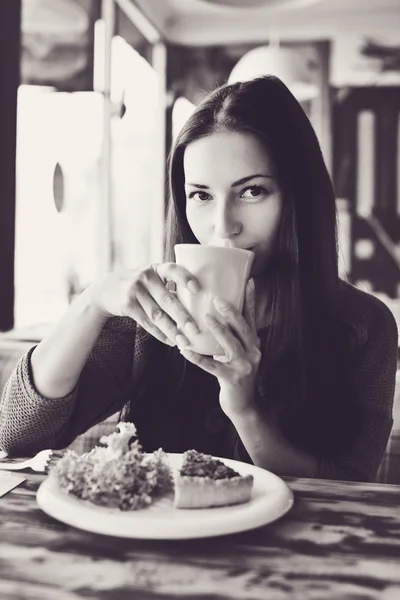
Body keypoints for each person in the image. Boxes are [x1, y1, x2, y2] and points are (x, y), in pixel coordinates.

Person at [0, 75, 398, 482]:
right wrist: (93, 301)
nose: (223, 227)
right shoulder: (156, 317)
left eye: (252, 192)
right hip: (149, 541)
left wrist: (246, 410)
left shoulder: (364, 325)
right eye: (201, 196)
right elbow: (17, 436)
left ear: (300, 194)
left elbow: (353, 485)